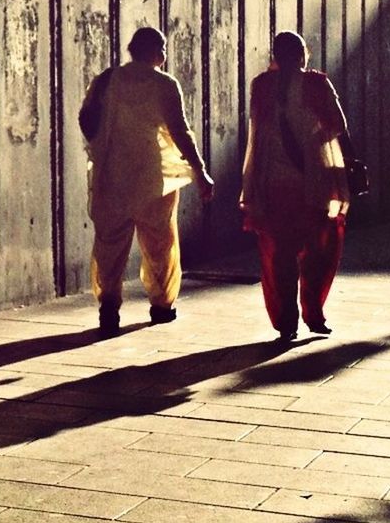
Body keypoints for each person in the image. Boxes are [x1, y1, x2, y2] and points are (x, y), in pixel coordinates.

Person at [79, 26, 215, 338]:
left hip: (111, 173)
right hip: (151, 176)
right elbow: (180, 132)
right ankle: (162, 304)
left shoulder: (106, 80)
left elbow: (86, 118)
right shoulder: (164, 84)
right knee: (159, 242)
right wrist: (199, 170)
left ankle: (109, 306)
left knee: (110, 243)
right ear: (158, 53)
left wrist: (100, 146)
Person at [240, 31, 350, 342]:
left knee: (279, 254)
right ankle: (313, 314)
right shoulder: (316, 83)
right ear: (303, 54)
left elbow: (256, 134)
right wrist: (312, 135)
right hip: (313, 182)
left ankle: (286, 321)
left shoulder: (261, 85)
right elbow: (339, 125)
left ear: (273, 54)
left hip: (272, 183)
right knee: (317, 250)